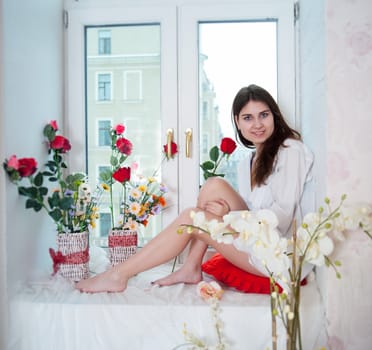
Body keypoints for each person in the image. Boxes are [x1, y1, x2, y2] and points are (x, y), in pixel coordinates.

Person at [76, 84, 314, 293]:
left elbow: (281, 218)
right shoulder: (247, 162)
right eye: (248, 118)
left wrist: (227, 218)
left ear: (275, 116)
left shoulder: (289, 151)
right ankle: (191, 267)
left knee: (193, 217)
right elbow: (252, 209)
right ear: (238, 124)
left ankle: (119, 274)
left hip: (275, 253)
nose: (258, 124)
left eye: (264, 115)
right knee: (213, 186)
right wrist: (225, 217)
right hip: (254, 236)